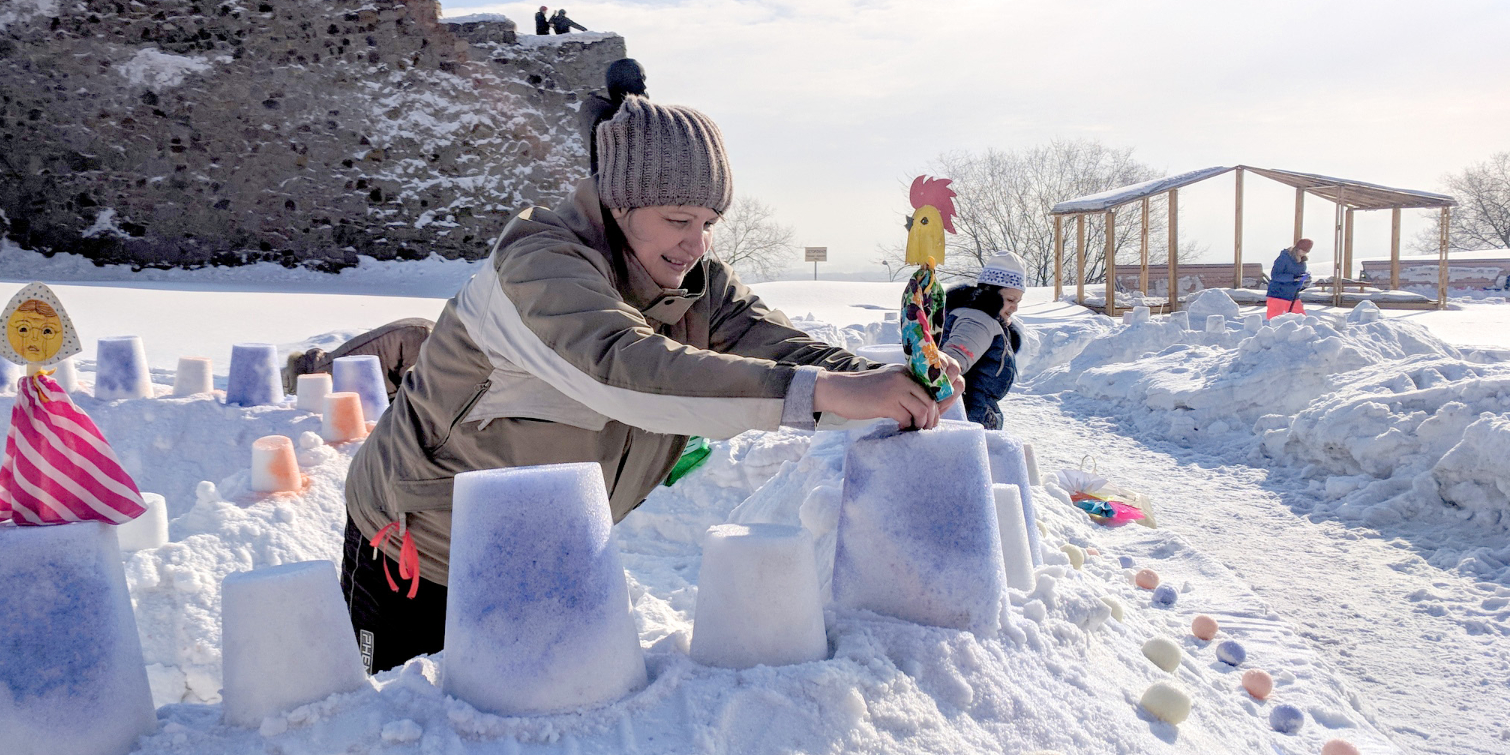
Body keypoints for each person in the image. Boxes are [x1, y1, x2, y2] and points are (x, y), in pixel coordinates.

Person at [341, 95, 947, 673]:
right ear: (618, 204)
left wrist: (882, 384)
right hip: (416, 555)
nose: (697, 244)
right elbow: (625, 369)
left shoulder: (694, 283)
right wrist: (820, 393)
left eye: (710, 222)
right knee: (401, 743)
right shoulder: (538, 266)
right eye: (678, 219)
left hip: (547, 556)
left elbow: (775, 345)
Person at [939, 251, 1027, 430]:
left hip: (972, 415)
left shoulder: (982, 318)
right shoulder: (978, 320)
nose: (1015, 308)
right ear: (990, 293)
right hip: (967, 420)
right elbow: (948, 365)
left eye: (1018, 301)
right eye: (1010, 299)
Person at [285, 317, 434, 399]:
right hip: (309, 382)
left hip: (319, 379)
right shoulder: (426, 337)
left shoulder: (427, 331)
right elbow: (415, 395)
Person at [577, 57, 648, 175]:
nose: (644, 87)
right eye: (637, 81)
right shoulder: (613, 120)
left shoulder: (611, 116)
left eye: (643, 80)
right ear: (622, 84)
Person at [1266, 238, 1313, 318]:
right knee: (1274, 320)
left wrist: (1305, 281)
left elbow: (1298, 280)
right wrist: (1293, 278)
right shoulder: (1284, 258)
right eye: (1303, 251)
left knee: (1301, 319)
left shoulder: (1302, 263)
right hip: (1277, 294)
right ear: (1297, 248)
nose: (1303, 254)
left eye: (1306, 252)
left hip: (1292, 296)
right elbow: (1275, 276)